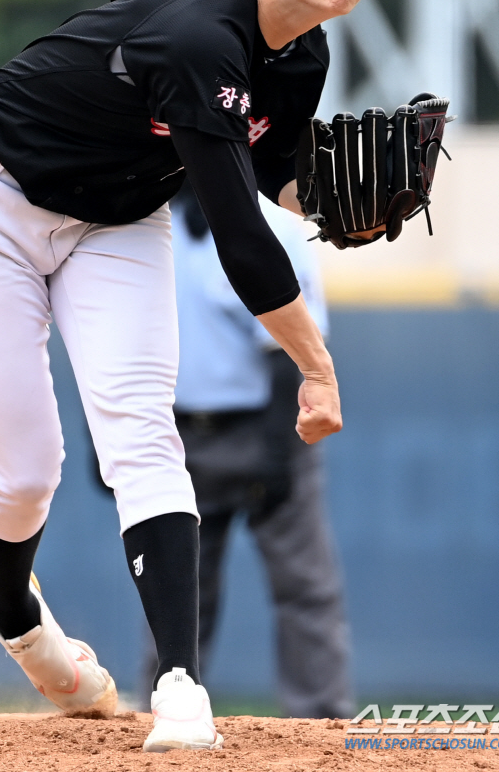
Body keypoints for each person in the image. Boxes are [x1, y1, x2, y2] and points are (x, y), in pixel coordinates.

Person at [0, 0, 407, 752]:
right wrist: (316, 365)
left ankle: (181, 687)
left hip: (117, 213)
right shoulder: (198, 36)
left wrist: (348, 211)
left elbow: (270, 175)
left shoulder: (306, 49)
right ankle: (21, 613)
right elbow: (240, 235)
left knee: (142, 428)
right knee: (29, 468)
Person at [134, 184, 354, 719]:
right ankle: (166, 713)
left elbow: (288, 355)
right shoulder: (138, 223)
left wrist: (277, 453)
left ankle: (321, 724)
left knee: (305, 588)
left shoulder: (275, 225)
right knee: (176, 594)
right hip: (177, 437)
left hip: (269, 427)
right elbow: (116, 346)